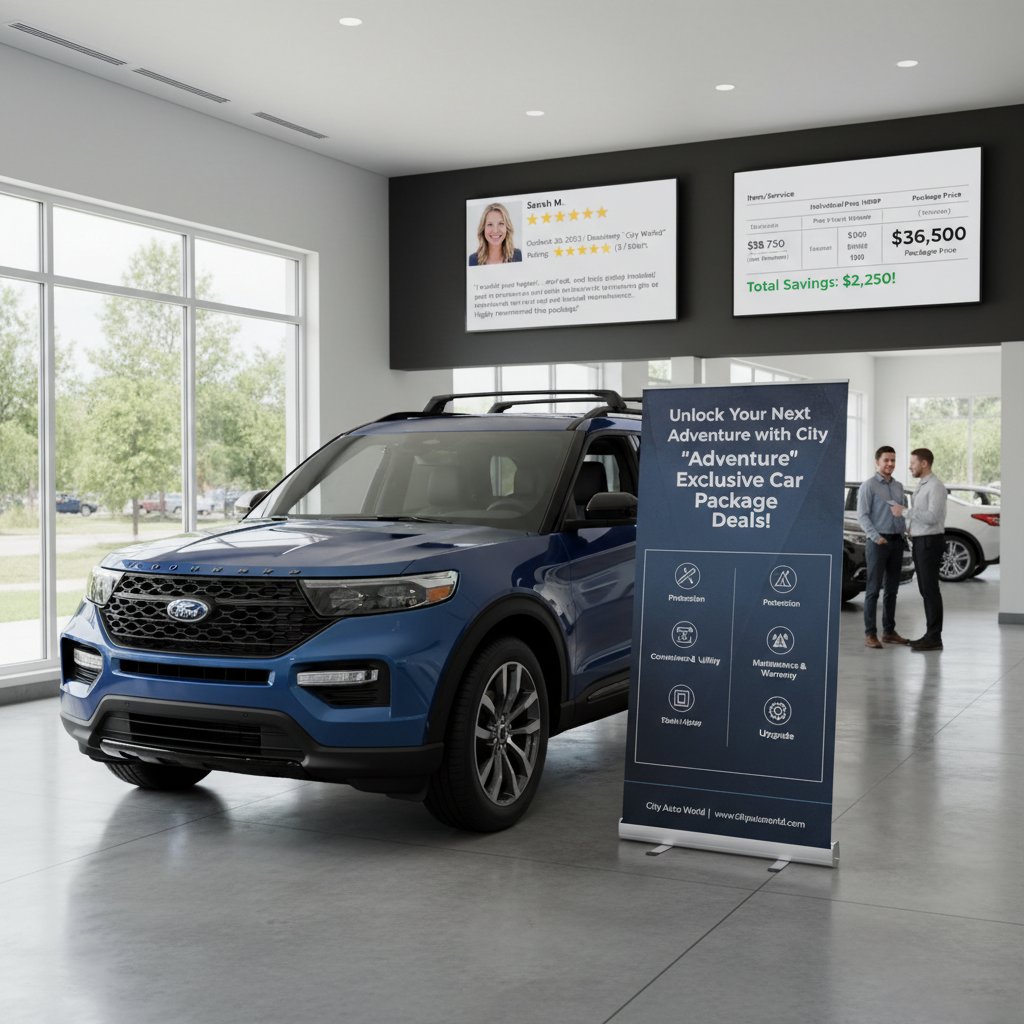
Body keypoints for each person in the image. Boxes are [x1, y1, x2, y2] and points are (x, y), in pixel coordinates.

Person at [891, 448, 947, 651]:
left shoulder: (935, 487)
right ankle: (930, 635)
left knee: (930, 590)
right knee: (925, 590)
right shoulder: (923, 485)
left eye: (913, 462)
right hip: (922, 542)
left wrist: (905, 511)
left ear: (924, 463)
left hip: (930, 543)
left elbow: (932, 517)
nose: (909, 466)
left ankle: (934, 638)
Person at [856, 446, 909, 648]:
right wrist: (876, 537)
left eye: (893, 460)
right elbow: (863, 515)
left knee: (892, 590)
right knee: (873, 590)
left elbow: (901, 512)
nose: (890, 464)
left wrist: (905, 532)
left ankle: (889, 631)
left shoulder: (898, 486)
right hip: (878, 543)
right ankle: (870, 633)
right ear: (877, 462)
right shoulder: (868, 486)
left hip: (896, 542)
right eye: (886, 460)